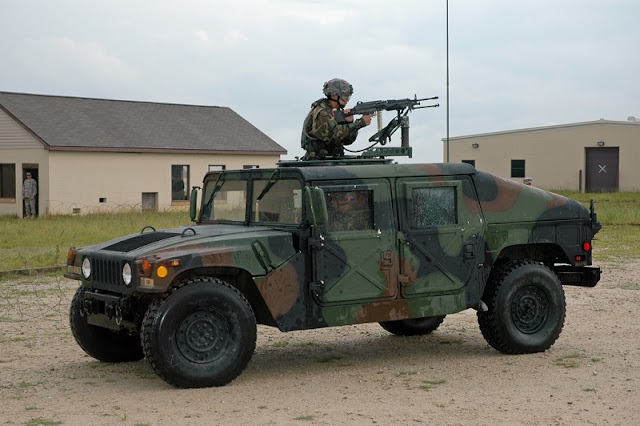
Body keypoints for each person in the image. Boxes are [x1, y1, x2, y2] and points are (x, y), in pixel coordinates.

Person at [301, 78, 373, 160]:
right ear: (334, 96)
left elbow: (347, 141)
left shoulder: (335, 112)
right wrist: (359, 123)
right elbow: (334, 135)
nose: (347, 101)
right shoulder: (322, 112)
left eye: (348, 97)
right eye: (345, 97)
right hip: (318, 160)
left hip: (332, 158)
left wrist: (349, 122)